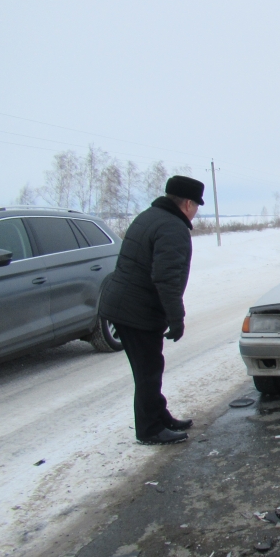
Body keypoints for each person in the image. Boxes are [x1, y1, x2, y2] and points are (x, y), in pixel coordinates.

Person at [99, 176, 204, 445]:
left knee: (150, 366)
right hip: (137, 310)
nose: (196, 211)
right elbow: (166, 278)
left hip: (126, 305)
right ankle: (149, 429)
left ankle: (159, 416)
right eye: (197, 205)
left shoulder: (150, 216)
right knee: (148, 371)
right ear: (188, 203)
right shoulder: (172, 228)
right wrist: (176, 317)